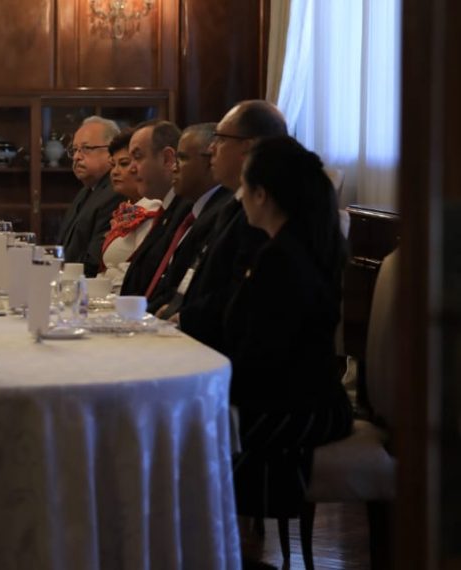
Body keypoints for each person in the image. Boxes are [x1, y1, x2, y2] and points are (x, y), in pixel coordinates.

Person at [225, 134, 352, 520]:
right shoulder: (301, 244)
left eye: (244, 187)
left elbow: (264, 357)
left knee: (188, 435)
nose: (240, 197)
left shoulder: (280, 258)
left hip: (300, 406)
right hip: (310, 397)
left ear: (261, 194)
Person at [169, 100, 287, 351]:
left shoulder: (265, 211)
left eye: (221, 139)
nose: (211, 148)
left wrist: (186, 318)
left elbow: (241, 291)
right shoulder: (234, 203)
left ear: (248, 147)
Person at [149, 123, 229, 314]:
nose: (174, 167)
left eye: (183, 158)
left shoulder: (221, 212)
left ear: (211, 160)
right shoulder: (189, 210)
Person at [118, 120, 190, 297]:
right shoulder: (167, 210)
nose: (131, 169)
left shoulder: (187, 211)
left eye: (138, 157)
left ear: (167, 159)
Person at [97, 129, 163, 289]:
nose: (114, 172)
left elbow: (140, 271)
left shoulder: (152, 208)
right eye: (113, 165)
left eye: (124, 164)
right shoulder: (128, 208)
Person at [58, 116, 122, 276]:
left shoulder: (115, 193)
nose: (76, 157)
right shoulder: (86, 191)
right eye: (74, 150)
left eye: (86, 148)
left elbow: (93, 261)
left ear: (111, 152)